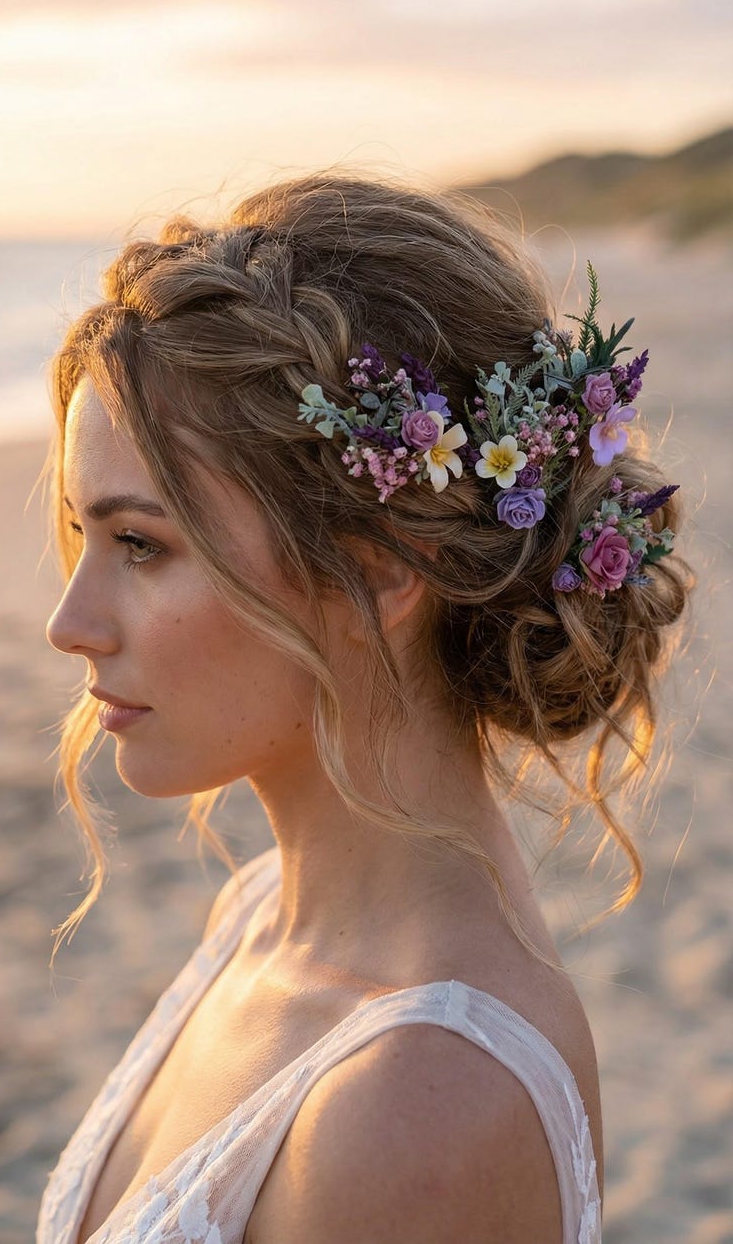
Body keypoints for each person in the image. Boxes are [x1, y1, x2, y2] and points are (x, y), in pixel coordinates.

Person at [36, 173, 689, 1244]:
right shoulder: (255, 914)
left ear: (381, 567)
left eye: (141, 544)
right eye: (83, 533)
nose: (71, 622)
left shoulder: (417, 1106)